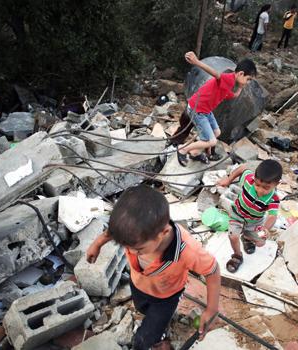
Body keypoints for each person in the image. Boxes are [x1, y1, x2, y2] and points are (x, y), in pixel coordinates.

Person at [86, 185, 221, 350]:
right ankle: (155, 323)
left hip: (166, 297)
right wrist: (98, 243)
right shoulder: (134, 234)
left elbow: (212, 270)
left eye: (138, 249)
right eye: (126, 246)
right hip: (138, 284)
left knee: (146, 338)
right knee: (141, 308)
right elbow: (114, 232)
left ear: (163, 233)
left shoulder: (187, 250)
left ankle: (158, 337)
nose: (131, 252)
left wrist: (212, 308)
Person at [177, 52, 256, 166]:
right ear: (241, 73)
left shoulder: (230, 83)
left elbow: (231, 95)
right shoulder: (228, 79)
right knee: (212, 140)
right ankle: (182, 149)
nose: (248, 83)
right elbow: (216, 74)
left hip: (205, 110)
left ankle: (195, 152)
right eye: (248, 79)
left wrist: (240, 88)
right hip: (197, 109)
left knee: (216, 132)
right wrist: (197, 62)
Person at [216, 160, 282, 272]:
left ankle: (246, 237)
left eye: (265, 188)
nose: (260, 190)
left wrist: (265, 228)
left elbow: (272, 216)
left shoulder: (273, 199)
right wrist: (228, 179)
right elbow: (242, 168)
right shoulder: (249, 180)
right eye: (257, 185)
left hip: (255, 223)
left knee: (261, 242)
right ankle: (237, 256)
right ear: (254, 179)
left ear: (276, 184)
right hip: (237, 214)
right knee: (233, 236)